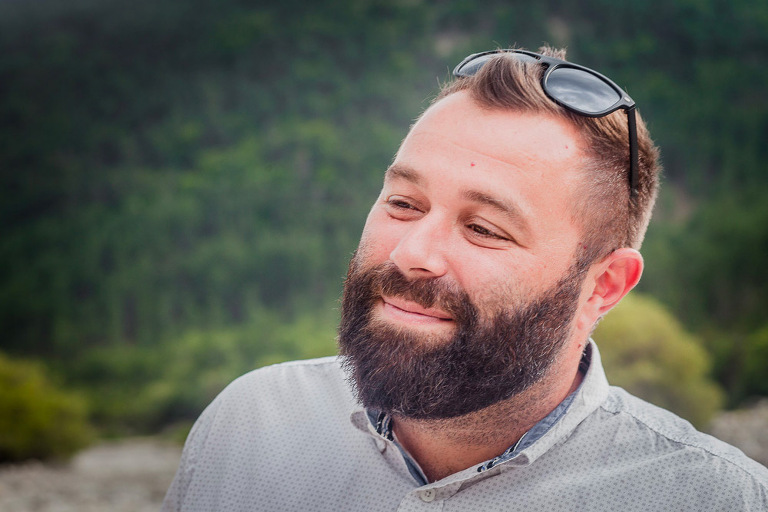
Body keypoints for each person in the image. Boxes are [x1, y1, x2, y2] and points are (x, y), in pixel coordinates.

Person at [162, 47, 768, 511]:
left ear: (603, 286)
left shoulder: (711, 498)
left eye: (484, 229)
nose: (412, 252)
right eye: (403, 203)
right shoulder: (248, 425)